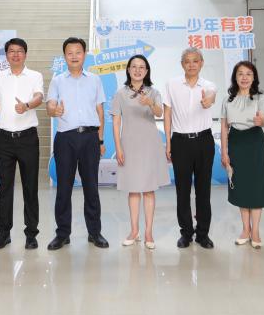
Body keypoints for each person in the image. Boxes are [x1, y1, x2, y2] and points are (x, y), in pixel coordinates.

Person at [47, 37, 107, 250]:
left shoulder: (95, 80)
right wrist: (55, 110)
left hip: (90, 138)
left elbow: (100, 111)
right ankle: (62, 234)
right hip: (66, 139)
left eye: (78, 52)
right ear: (64, 56)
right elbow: (50, 106)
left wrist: (100, 139)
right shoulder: (57, 81)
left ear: (84, 55)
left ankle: (95, 233)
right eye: (70, 53)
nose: (74, 56)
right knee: (64, 188)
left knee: (91, 187)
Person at [0, 37, 45, 250]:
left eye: (19, 51)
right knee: (4, 189)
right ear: (6, 55)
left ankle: (31, 234)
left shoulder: (35, 76)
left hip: (28, 138)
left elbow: (39, 97)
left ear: (25, 54)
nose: (15, 54)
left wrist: (27, 105)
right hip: (4, 139)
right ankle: (4, 234)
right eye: (11, 51)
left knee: (30, 188)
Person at [111, 54, 168, 249]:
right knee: (133, 189)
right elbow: (116, 122)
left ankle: (148, 232)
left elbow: (159, 112)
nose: (137, 70)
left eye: (141, 67)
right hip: (129, 145)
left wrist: (150, 103)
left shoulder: (153, 92)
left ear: (146, 71)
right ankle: (134, 230)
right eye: (134, 66)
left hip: (150, 145)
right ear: (128, 70)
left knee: (149, 189)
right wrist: (118, 147)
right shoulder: (120, 94)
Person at [163, 47, 217, 249]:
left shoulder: (208, 85)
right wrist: (168, 143)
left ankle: (203, 234)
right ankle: (186, 233)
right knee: (182, 190)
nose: (191, 65)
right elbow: (167, 114)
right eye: (187, 61)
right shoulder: (172, 84)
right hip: (180, 142)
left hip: (204, 141)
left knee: (203, 190)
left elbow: (211, 97)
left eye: (195, 61)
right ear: (182, 64)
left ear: (201, 63)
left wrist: (207, 101)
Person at [220, 61, 264, 249]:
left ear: (254, 77)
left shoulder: (260, 97)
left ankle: (255, 230)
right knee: (241, 186)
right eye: (240, 73)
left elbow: (263, 118)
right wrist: (224, 152)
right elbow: (224, 128)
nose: (244, 77)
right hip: (236, 142)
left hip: (254, 141)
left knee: (256, 186)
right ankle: (245, 230)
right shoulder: (228, 99)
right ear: (235, 77)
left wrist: (260, 120)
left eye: (248, 74)